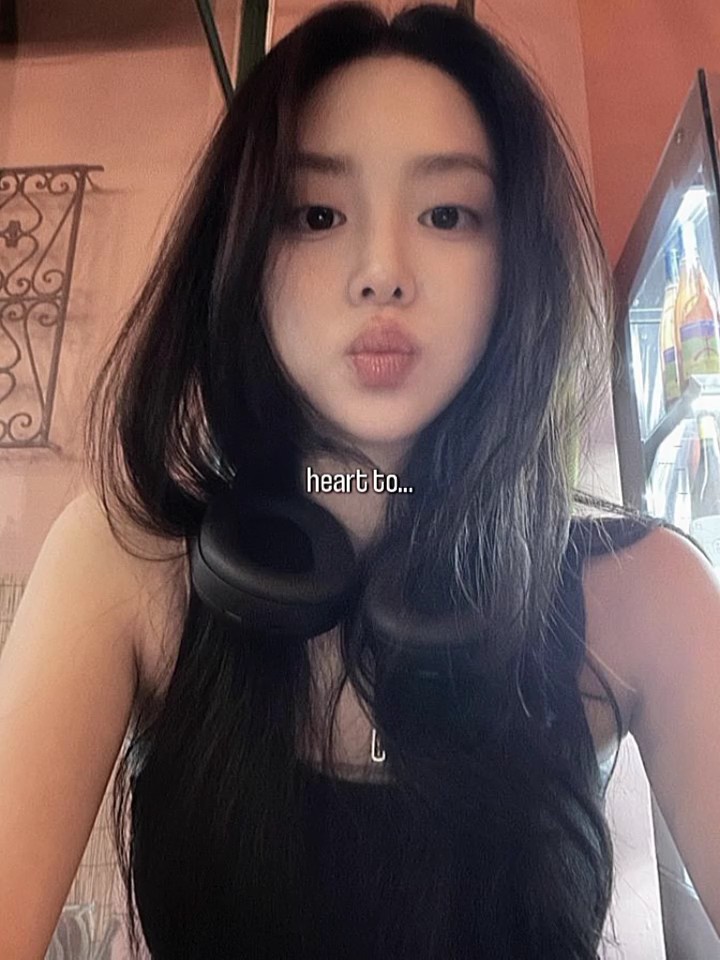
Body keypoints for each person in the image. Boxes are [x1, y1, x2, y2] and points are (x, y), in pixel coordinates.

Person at [1, 2, 719, 958]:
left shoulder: (651, 597)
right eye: (317, 214)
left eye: (447, 213)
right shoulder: (121, 566)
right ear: (241, 253)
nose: (382, 272)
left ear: (517, 262)